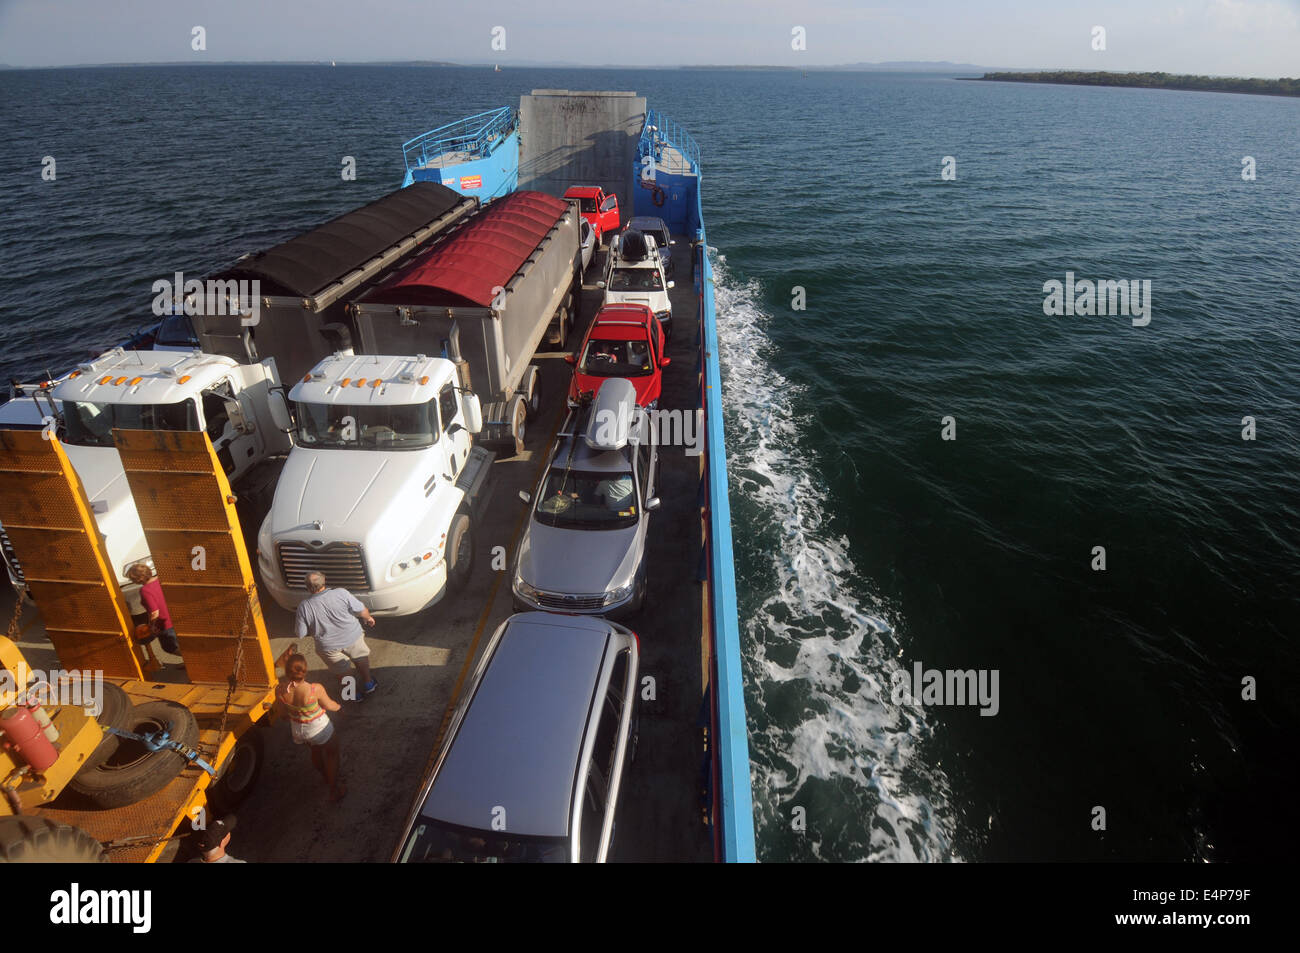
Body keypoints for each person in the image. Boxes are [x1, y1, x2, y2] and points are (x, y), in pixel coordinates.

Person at [273, 644, 346, 802]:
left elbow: (283, 715)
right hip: (319, 728)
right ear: (304, 671)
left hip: (299, 731)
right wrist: (339, 708)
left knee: (315, 751)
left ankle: (326, 778)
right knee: (332, 753)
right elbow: (329, 705)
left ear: (287, 672)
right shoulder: (315, 689)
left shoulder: (280, 690)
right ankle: (334, 790)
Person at [293, 571, 378, 700]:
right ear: (324, 581)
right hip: (353, 636)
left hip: (328, 647)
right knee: (361, 658)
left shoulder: (304, 607)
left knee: (342, 671)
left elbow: (300, 633)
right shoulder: (341, 593)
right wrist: (368, 618)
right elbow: (361, 610)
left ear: (307, 586)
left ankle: (352, 694)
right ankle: (368, 683)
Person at [127, 563, 181, 656]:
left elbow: (154, 612)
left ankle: (194, 662)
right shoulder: (160, 581)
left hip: (165, 624)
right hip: (176, 617)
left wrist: (151, 626)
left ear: (138, 579)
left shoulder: (145, 590)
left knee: (170, 648)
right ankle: (189, 663)